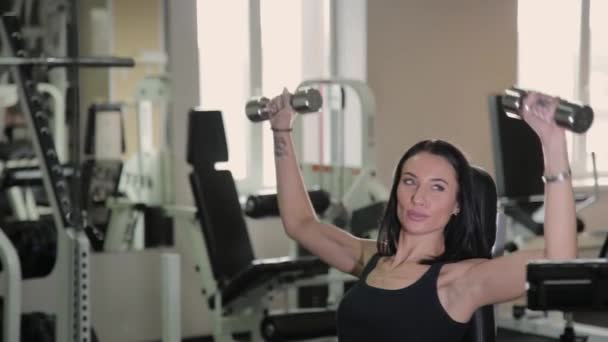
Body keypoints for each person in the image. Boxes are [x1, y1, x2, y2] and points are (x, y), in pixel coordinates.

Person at [267, 88, 576, 341]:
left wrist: (552, 141)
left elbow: (558, 263)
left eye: (438, 188)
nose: (419, 198)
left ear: (457, 205)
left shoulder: (459, 281)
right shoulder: (370, 259)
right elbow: (299, 223)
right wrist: (282, 129)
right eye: (410, 181)